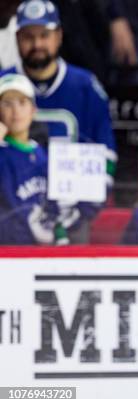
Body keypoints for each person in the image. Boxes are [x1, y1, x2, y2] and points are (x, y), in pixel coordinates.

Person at [1, 0, 117, 243]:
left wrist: (85, 209)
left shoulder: (85, 86)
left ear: (59, 36)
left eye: (44, 35)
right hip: (11, 219)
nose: (37, 44)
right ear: (17, 38)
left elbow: (106, 153)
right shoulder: (4, 85)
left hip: (71, 215)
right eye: (28, 37)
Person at [0, 73, 66, 245]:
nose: (16, 111)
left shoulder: (43, 154)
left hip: (41, 251)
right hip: (8, 251)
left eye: (22, 102)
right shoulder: (2, 153)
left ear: (33, 110)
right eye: (7, 103)